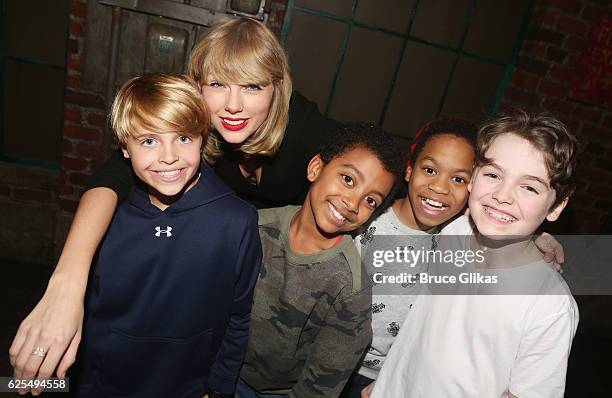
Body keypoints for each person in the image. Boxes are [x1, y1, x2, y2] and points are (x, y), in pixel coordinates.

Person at [9, 17, 335, 384]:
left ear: (277, 88)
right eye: (217, 84)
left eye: (253, 86)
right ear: (196, 88)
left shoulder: (307, 131)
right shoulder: (185, 139)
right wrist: (67, 284)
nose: (233, 105)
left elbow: (376, 179)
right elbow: (114, 174)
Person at [72, 73, 261, 397]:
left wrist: (218, 388)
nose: (169, 156)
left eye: (184, 138)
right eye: (148, 141)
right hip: (106, 382)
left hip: (188, 386)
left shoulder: (237, 221)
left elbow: (239, 315)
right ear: (124, 148)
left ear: (202, 137)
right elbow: (88, 308)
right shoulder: (105, 217)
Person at [370, 110, 579, 397]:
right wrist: (387, 382)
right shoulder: (455, 229)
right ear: (473, 179)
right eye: (493, 175)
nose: (503, 196)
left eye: (529, 187)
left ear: (556, 207)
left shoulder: (549, 306)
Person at [235, 123, 405, 397]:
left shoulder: (351, 287)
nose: (353, 203)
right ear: (316, 168)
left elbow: (320, 386)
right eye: (348, 179)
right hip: (219, 372)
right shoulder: (252, 229)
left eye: (370, 200)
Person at [340, 118, 478, 398]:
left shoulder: (459, 241)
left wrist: (538, 239)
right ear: (409, 169)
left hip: (393, 379)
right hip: (330, 363)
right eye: (429, 170)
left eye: (458, 179)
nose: (440, 187)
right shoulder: (367, 217)